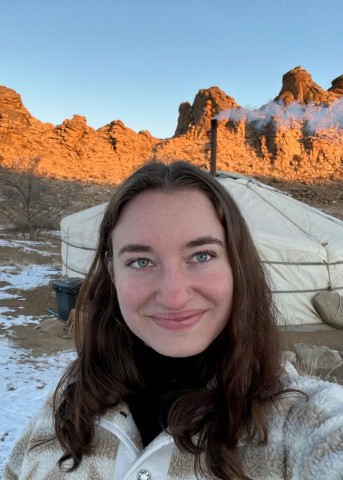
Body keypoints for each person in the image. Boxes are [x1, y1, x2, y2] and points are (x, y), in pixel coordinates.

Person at [3, 160, 343, 480]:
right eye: (140, 261)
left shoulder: (298, 421)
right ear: (111, 270)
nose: (173, 295)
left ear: (237, 264)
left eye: (201, 255)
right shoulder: (71, 398)